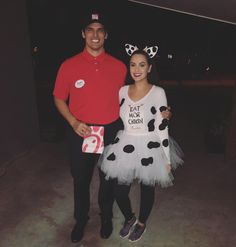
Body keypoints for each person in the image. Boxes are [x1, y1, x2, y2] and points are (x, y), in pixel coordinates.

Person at [53, 12, 172, 243]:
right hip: (81, 131)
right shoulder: (68, 66)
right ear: (83, 34)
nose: (95, 35)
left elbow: (141, 95)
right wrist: (74, 122)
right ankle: (81, 219)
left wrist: (164, 112)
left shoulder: (119, 67)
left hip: (111, 132)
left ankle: (106, 218)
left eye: (100, 30)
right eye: (90, 29)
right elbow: (58, 98)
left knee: (108, 180)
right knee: (80, 179)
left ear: (106, 35)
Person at [99, 49, 184, 242]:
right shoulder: (122, 91)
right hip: (126, 142)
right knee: (119, 191)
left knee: (147, 188)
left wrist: (166, 157)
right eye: (133, 64)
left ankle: (142, 224)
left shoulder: (158, 92)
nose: (137, 69)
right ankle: (129, 218)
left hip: (150, 144)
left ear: (149, 68)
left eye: (142, 64)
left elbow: (162, 126)